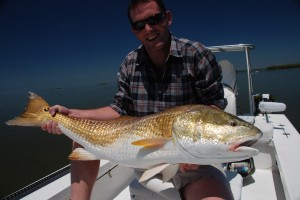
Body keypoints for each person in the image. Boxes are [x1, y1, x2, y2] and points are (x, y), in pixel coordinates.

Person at [42, 0, 234, 199]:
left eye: (154, 19)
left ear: (168, 18)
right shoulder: (130, 63)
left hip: (196, 161)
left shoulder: (196, 55)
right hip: (146, 158)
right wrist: (71, 114)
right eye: (139, 25)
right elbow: (120, 108)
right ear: (134, 30)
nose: (148, 28)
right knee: (81, 138)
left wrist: (195, 151)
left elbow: (214, 107)